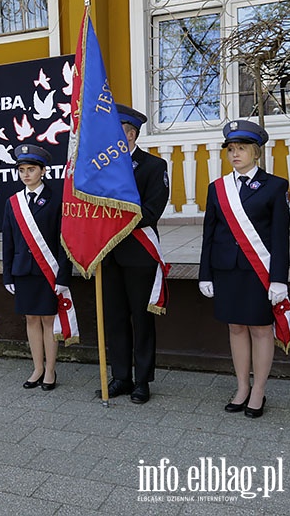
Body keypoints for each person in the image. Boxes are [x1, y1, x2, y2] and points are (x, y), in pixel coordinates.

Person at [199, 120, 289, 419]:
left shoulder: (275, 186)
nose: (235, 154)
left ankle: (259, 390)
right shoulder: (217, 188)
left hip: (258, 271)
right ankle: (241, 387)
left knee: (261, 330)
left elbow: (279, 237)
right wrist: (205, 273)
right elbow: (209, 233)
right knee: (236, 328)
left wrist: (278, 279)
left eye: (241, 149)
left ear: (256, 153)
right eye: (231, 150)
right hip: (226, 269)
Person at [101, 105, 170, 404]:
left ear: (130, 134)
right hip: (108, 254)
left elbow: (153, 209)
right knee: (114, 318)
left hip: (139, 251)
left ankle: (142, 381)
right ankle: (120, 377)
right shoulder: (101, 167)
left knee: (141, 320)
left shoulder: (154, 167)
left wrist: (117, 217)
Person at [2, 144, 69, 390]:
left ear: (42, 171)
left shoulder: (56, 200)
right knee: (31, 319)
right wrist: (7, 273)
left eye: (31, 169)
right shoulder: (13, 202)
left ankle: (50, 370)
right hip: (23, 270)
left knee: (49, 321)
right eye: (21, 170)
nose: (26, 174)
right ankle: (37, 367)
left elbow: (63, 241)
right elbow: (8, 240)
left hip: (47, 271)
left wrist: (63, 274)